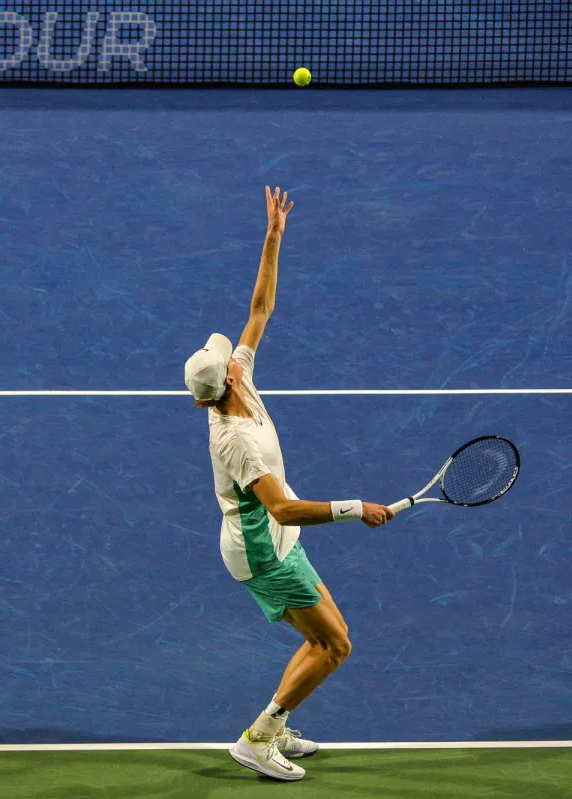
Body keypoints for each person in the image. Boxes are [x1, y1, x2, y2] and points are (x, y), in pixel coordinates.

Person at [183, 187, 394, 782]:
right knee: (335, 646)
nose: (233, 355)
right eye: (227, 360)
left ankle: (274, 727)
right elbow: (280, 509)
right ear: (225, 384)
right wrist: (356, 507)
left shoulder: (233, 381)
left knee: (331, 638)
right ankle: (258, 736)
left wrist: (273, 238)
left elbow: (260, 309)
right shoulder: (236, 441)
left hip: (275, 544)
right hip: (262, 550)